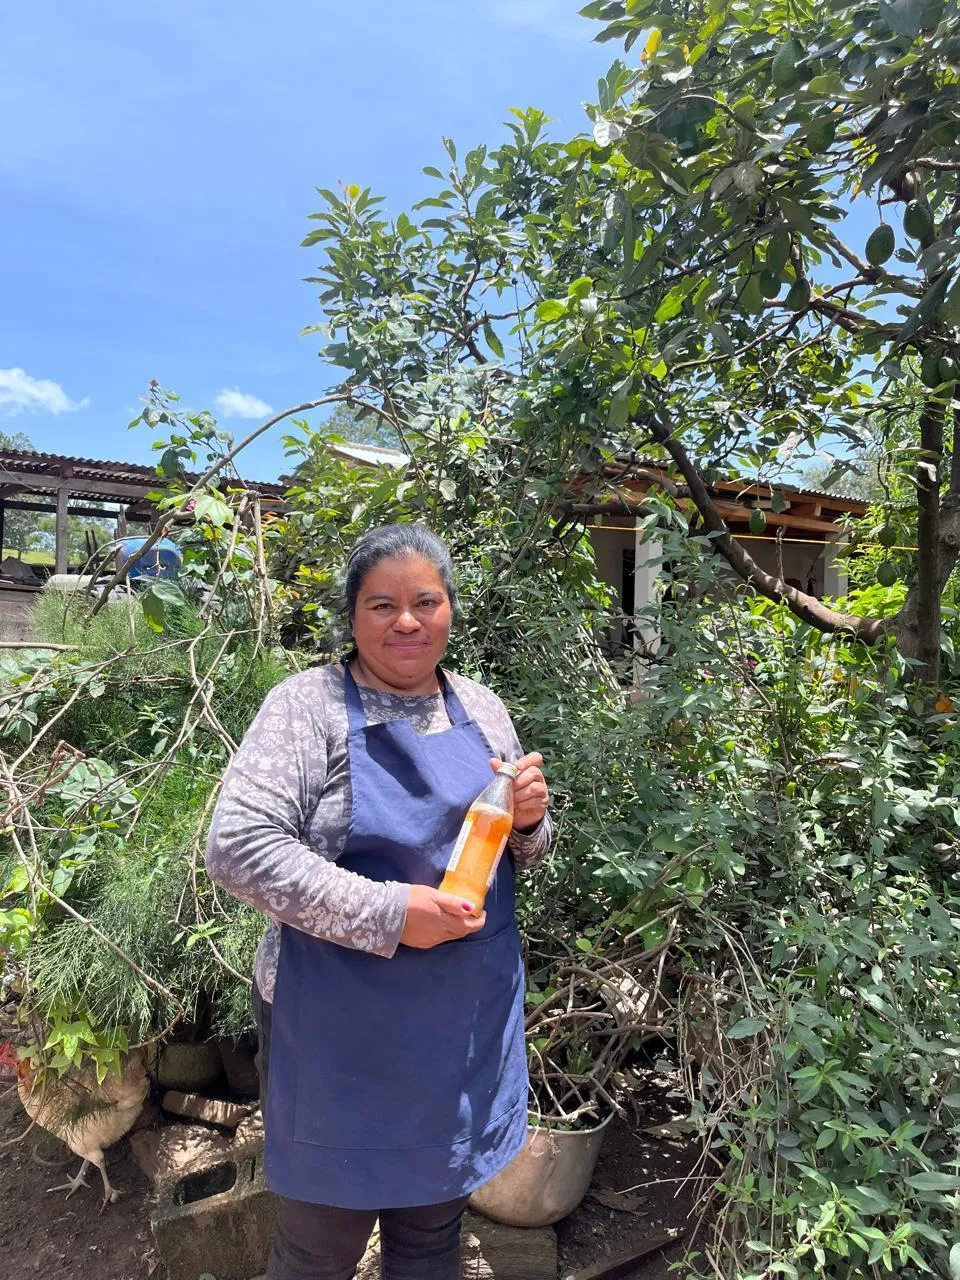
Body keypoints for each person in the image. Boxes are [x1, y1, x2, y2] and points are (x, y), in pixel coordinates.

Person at [206, 524, 552, 1280]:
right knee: (317, 1251)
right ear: (353, 616)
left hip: (457, 1022)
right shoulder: (307, 708)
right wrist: (394, 914)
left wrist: (530, 821)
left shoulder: (484, 707)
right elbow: (237, 848)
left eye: (426, 601)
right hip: (337, 1031)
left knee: (431, 1237)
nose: (406, 621)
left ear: (451, 610)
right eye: (382, 604)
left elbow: (516, 851)